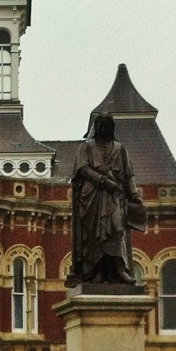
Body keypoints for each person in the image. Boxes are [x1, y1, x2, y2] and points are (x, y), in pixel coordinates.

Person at [68, 112, 144, 285]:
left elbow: (129, 175)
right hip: (91, 197)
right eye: (101, 125)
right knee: (93, 236)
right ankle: (96, 272)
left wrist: (134, 195)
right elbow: (82, 170)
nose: (104, 129)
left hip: (114, 196)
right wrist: (102, 181)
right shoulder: (86, 148)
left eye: (107, 125)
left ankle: (119, 270)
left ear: (111, 128)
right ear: (97, 128)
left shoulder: (120, 149)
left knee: (117, 230)